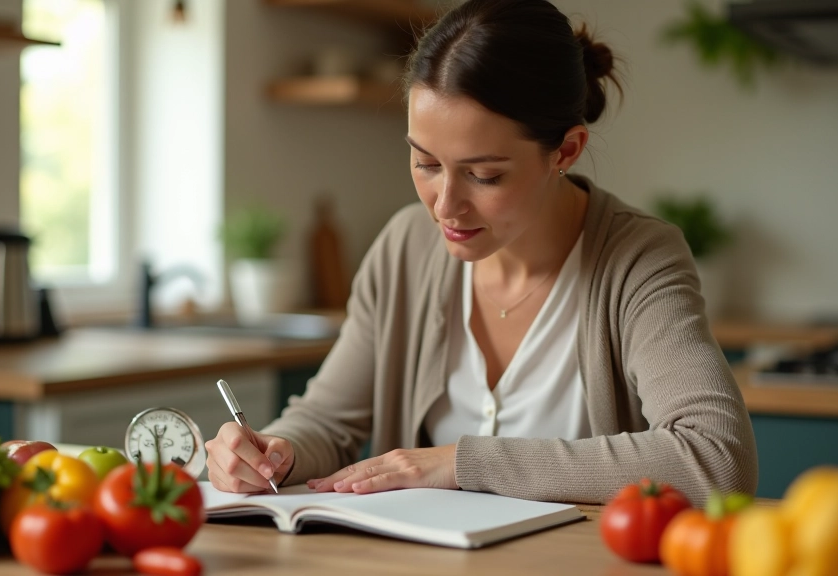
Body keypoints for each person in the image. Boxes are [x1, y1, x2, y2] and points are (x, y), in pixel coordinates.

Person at [205, 0, 757, 505]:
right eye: (425, 163)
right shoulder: (404, 248)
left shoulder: (638, 259)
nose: (446, 205)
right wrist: (274, 452)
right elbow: (326, 420)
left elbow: (715, 457)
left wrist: (459, 463)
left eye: (484, 175)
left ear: (564, 151)